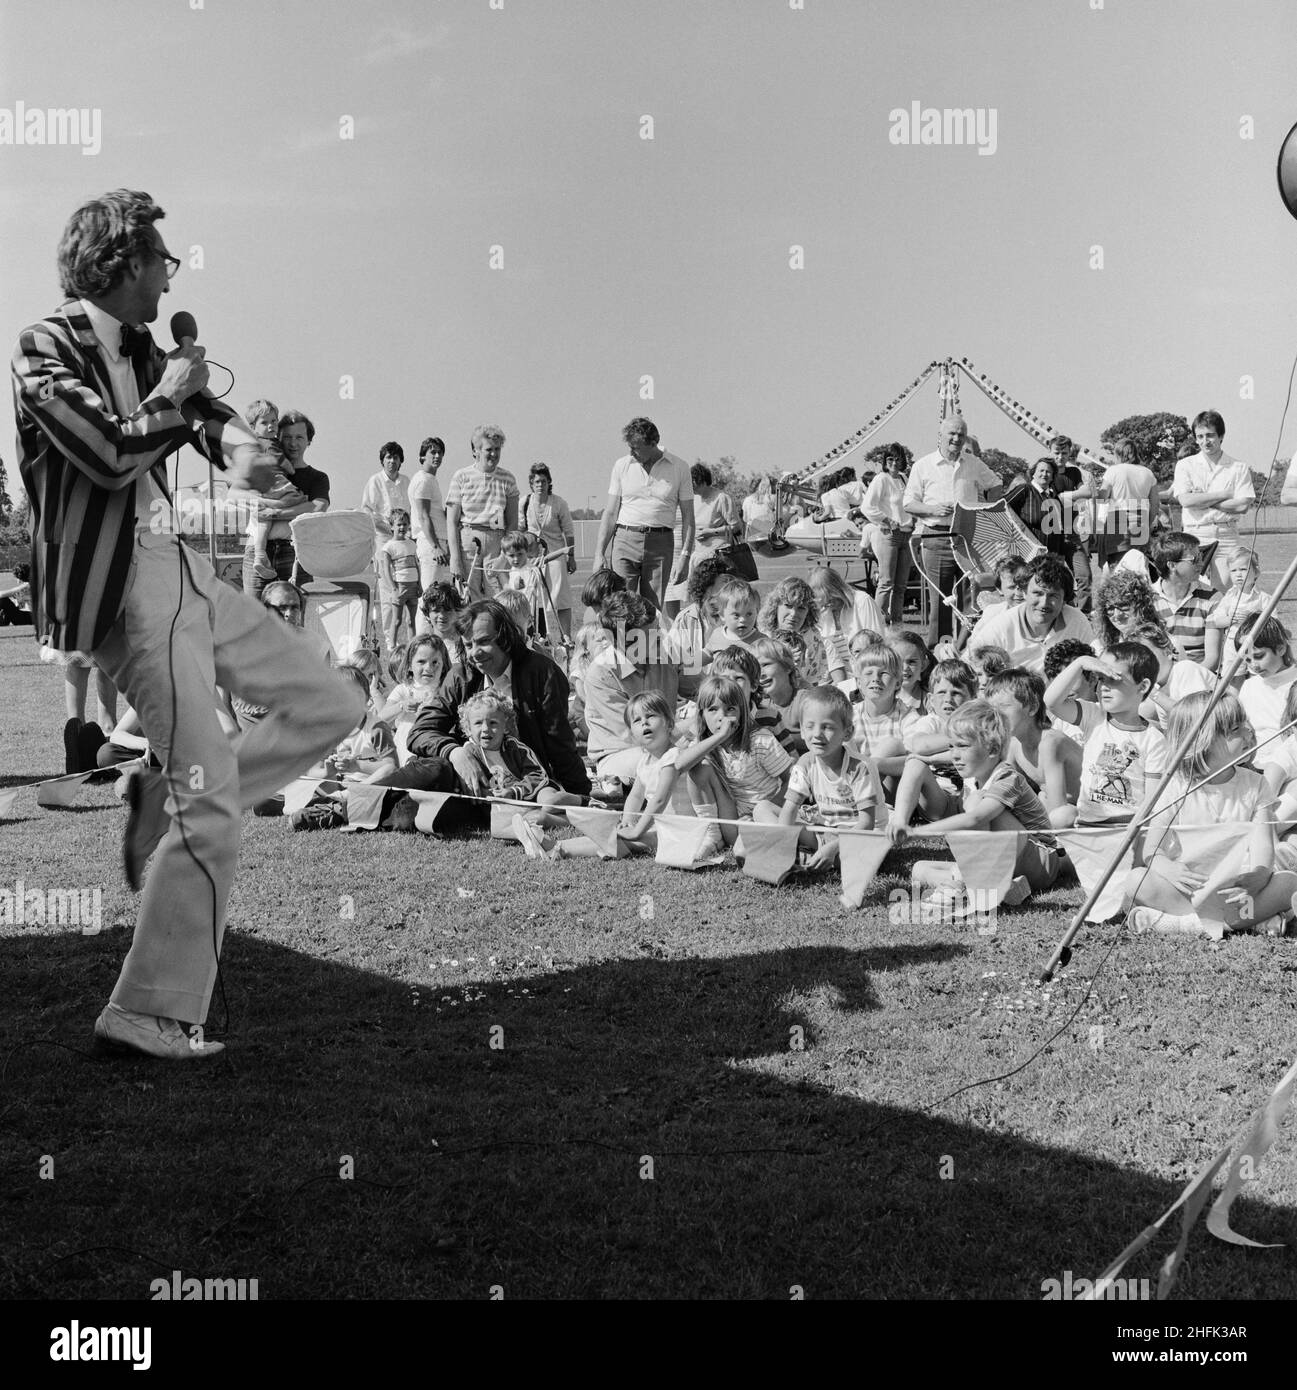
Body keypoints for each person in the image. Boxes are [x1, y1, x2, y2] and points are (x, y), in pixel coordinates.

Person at [13, 189, 364, 1059]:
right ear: (121, 265)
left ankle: (162, 790)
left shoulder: (146, 349)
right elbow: (109, 452)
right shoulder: (40, 348)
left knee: (331, 707)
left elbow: (217, 434)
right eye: (162, 262)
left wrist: (263, 465)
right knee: (212, 807)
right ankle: (149, 1010)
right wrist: (177, 393)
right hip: (123, 590)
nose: (172, 279)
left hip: (178, 567)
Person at [1125, 692, 1297, 937]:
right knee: (1136, 880)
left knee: (1289, 882)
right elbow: (1152, 850)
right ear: (1202, 742)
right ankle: (1246, 923)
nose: (1248, 731)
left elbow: (1263, 845)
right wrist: (1168, 869)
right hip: (1190, 889)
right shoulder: (1175, 787)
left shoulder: (1255, 784)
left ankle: (1184, 924)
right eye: (1235, 728)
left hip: (1237, 891)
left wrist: (1259, 875)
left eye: (1245, 722)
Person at [391, 600, 590, 802]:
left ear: (506, 638)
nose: (475, 653)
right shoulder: (460, 677)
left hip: (522, 785)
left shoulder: (543, 673)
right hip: (469, 782)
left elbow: (560, 745)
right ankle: (371, 795)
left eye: (484, 641)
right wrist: (454, 752)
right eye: (468, 645)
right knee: (434, 771)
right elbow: (421, 732)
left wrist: (581, 795)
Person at [888, 701, 1060, 906]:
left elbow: (975, 818)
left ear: (993, 749)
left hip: (1040, 862)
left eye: (962, 746)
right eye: (951, 746)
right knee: (919, 869)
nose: (954, 754)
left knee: (975, 802)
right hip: (1006, 861)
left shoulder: (1007, 777)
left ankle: (972, 883)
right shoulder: (976, 767)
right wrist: (900, 824)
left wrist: (917, 833)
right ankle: (993, 887)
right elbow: (943, 758)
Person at [549, 691, 724, 862]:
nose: (644, 723)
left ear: (670, 724)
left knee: (625, 839)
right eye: (637, 720)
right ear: (632, 734)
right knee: (615, 834)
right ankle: (555, 845)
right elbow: (636, 795)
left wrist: (636, 830)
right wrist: (627, 820)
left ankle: (559, 849)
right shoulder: (645, 761)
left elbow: (659, 801)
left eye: (651, 716)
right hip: (662, 827)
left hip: (683, 830)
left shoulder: (674, 757)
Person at [904, 415, 1004, 642]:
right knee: (940, 602)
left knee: (972, 598)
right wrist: (932, 510)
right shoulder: (923, 465)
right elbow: (908, 503)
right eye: (952, 433)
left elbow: (996, 484)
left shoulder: (973, 463)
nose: (957, 438)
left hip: (967, 539)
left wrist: (984, 509)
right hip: (936, 537)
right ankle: (938, 654)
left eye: (961, 434)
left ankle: (968, 650)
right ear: (940, 436)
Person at [1043, 643, 1166, 828]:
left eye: (1114, 679)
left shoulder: (1154, 739)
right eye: (1100, 678)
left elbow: (1152, 801)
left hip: (1128, 829)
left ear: (1143, 686)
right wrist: (1080, 663)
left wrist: (1136, 833)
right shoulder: (1093, 715)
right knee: (1059, 817)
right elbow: (1051, 701)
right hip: (1088, 824)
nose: (1104, 687)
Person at [762, 684, 881, 874]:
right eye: (810, 726)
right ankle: (793, 855)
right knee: (763, 808)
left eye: (827, 727)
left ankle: (811, 857)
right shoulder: (805, 763)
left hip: (859, 838)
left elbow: (866, 824)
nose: (817, 734)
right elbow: (789, 810)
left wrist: (834, 847)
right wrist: (782, 843)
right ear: (801, 730)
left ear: (847, 733)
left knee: (863, 858)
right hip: (824, 833)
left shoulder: (858, 768)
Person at [594, 417, 695, 614]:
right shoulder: (622, 465)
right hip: (624, 541)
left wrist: (684, 557)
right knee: (619, 607)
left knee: (651, 611)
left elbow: (688, 517)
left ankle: (647, 645)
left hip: (660, 545)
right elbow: (611, 512)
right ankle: (620, 645)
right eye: (629, 447)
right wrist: (599, 553)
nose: (631, 452)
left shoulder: (679, 467)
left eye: (636, 448)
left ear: (653, 443)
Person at [235, 408, 329, 600]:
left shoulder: (318, 478)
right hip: (257, 551)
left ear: (309, 440)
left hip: (295, 551)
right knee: (255, 617)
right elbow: (234, 496)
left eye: (299, 437)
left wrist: (272, 513)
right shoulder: (261, 466)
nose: (293, 443)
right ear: (278, 438)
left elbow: (317, 507)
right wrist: (268, 503)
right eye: (287, 437)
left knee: (295, 615)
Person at [965, 554, 1095, 673]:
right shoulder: (1001, 627)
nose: (1044, 603)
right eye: (1037, 593)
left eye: (1053, 596)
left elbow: (1096, 662)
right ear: (1024, 592)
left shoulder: (1077, 621)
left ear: (1065, 599)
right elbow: (968, 668)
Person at [1172, 411, 1254, 590]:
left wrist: (1201, 498)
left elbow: (1241, 505)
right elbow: (1186, 501)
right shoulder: (1185, 465)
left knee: (1225, 589)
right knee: (1190, 590)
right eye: (1200, 436)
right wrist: (1225, 494)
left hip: (1226, 534)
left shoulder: (1238, 467)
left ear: (1221, 436)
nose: (1205, 441)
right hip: (1195, 534)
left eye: (1210, 435)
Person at [445, 425, 520, 600]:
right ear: (477, 451)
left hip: (497, 542)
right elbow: (452, 521)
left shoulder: (508, 479)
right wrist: (455, 558)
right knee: (468, 598)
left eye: (497, 449)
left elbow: (513, 523)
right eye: (488, 449)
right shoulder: (461, 477)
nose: (493, 454)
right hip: (469, 544)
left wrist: (504, 556)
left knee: (498, 597)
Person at [521, 462, 577, 639]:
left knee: (561, 599)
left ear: (549, 482)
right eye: (536, 481)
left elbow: (568, 531)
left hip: (555, 556)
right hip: (532, 558)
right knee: (533, 598)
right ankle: (537, 636)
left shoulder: (558, 503)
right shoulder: (525, 502)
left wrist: (571, 557)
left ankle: (566, 638)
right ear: (531, 483)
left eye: (543, 481)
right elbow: (519, 529)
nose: (540, 485)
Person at [1148, 531, 1219, 667]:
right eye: (1194, 559)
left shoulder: (1212, 598)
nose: (1201, 563)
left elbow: (1212, 659)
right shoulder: (1147, 599)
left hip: (1200, 677)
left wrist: (1186, 680)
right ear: (1172, 565)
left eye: (1201, 557)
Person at [861, 447, 913, 626]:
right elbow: (867, 507)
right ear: (885, 461)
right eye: (890, 459)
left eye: (898, 459)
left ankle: (897, 624)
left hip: (907, 535)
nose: (894, 463)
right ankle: (877, 624)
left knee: (901, 586)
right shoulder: (881, 479)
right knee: (886, 582)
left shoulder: (905, 479)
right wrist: (887, 520)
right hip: (889, 535)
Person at [808, 565, 885, 683]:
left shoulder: (862, 601)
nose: (828, 606)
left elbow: (878, 645)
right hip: (833, 676)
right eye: (823, 604)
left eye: (830, 600)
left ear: (837, 590)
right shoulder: (822, 611)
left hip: (865, 673)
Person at [1097, 438, 1163, 568]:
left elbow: (1102, 498)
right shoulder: (1148, 473)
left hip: (1117, 522)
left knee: (1117, 567)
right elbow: (1155, 504)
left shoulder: (1113, 471)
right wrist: (1147, 523)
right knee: (1139, 567)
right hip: (1141, 521)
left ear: (1118, 454)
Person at [1235, 614, 1297, 749]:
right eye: (1248, 660)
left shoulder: (1294, 681)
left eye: (1259, 656)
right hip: (1253, 761)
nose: (1254, 666)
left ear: (1281, 648)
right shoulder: (1249, 686)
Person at [408, 436, 450, 610]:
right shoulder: (423, 480)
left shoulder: (430, 479)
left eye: (440, 452)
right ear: (422, 456)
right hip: (430, 544)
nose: (437, 456)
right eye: (432, 452)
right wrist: (435, 547)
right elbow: (423, 516)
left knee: (439, 596)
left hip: (438, 541)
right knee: (429, 596)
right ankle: (423, 636)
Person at [379, 509, 420, 652]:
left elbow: (417, 565)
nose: (402, 528)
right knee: (397, 621)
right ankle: (392, 647)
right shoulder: (388, 547)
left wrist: (419, 584)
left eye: (405, 524)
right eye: (399, 525)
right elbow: (386, 571)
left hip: (413, 586)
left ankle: (412, 647)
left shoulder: (412, 544)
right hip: (400, 587)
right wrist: (394, 589)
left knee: (411, 621)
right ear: (392, 526)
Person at [686, 462, 739, 573]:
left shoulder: (722, 498)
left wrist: (710, 532)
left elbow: (736, 527)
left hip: (719, 555)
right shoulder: (693, 499)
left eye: (693, 483)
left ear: (703, 481)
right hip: (698, 555)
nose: (691, 486)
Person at [361, 441, 410, 553]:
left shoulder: (406, 481)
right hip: (383, 537)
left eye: (396, 458)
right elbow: (367, 509)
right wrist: (384, 526)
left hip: (404, 535)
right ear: (382, 460)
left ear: (400, 461)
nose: (392, 461)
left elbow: (411, 508)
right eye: (389, 457)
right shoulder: (375, 480)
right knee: (385, 569)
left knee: (404, 569)